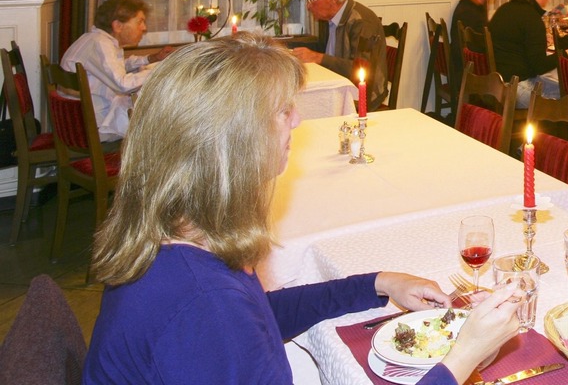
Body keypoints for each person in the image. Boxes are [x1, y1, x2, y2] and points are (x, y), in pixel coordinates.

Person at [83, 35, 521, 384]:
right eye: (281, 110)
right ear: (232, 145)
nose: (295, 121)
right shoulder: (205, 304)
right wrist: (464, 356)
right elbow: (228, 321)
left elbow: (257, 316)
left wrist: (378, 283)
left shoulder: (182, 237)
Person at [61, 0, 174, 142]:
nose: (144, 28)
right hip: (95, 128)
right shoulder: (100, 45)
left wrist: (152, 59)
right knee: (168, 121)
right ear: (118, 26)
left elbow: (114, 67)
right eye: (140, 22)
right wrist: (160, 70)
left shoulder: (94, 39)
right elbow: (123, 85)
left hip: (80, 122)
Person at [294, 0, 388, 108]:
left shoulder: (361, 21)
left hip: (362, 94)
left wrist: (319, 58)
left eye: (312, 0)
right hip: (337, 84)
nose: (309, 7)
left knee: (302, 104)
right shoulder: (332, 17)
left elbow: (361, 70)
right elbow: (323, 47)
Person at [489, 0, 562, 108]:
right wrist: (562, 55)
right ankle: (551, 129)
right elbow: (538, 66)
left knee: (560, 88)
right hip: (515, 88)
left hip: (496, 83)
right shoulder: (532, 18)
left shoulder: (504, 9)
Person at [450, 0, 501, 81]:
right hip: (469, 74)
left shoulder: (470, 5)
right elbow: (479, 47)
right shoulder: (469, 12)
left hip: (464, 69)